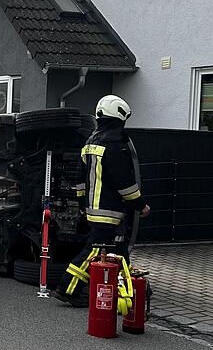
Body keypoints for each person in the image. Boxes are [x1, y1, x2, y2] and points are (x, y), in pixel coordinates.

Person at [54, 95, 150, 307]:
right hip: (109, 210)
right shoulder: (115, 146)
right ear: (119, 117)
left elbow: (80, 179)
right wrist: (140, 205)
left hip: (93, 209)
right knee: (95, 251)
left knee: (119, 250)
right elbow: (125, 183)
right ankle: (67, 288)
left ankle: (126, 291)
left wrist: (82, 205)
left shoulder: (90, 143)